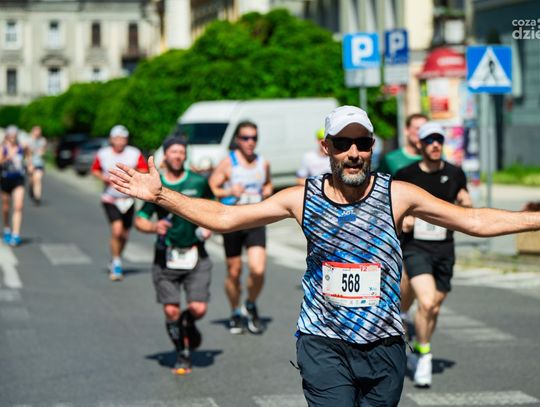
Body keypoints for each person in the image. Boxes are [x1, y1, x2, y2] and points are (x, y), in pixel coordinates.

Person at [109, 105, 540, 407]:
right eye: (343, 143)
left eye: (362, 143)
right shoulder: (301, 198)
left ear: (371, 146)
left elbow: (473, 220)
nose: (353, 152)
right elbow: (226, 217)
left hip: (384, 345)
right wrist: (162, 195)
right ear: (326, 148)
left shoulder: (398, 195)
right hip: (323, 342)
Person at [395, 122, 473, 388]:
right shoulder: (406, 175)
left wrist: (466, 203)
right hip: (415, 246)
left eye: (439, 140)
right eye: (430, 140)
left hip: (445, 248)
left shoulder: (455, 173)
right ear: (420, 144)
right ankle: (425, 357)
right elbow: (393, 208)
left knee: (434, 306)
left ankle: (417, 344)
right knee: (427, 303)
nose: (435, 145)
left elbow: (463, 203)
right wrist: (403, 219)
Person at [134, 136, 213, 375]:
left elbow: (213, 207)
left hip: (195, 253)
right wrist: (154, 227)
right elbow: (140, 220)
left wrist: (208, 226)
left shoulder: (198, 182)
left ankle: (186, 323)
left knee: (198, 308)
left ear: (185, 155)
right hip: (166, 256)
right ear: (165, 155)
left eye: (181, 152)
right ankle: (182, 353)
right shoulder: (157, 185)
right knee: (170, 310)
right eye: (173, 152)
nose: (178, 156)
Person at [208, 121, 272, 335]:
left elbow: (268, 184)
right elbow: (213, 186)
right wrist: (229, 192)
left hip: (255, 220)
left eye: (254, 138)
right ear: (237, 140)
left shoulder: (263, 163)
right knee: (234, 272)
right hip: (233, 220)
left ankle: (250, 304)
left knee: (258, 269)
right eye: (245, 138)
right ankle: (235, 311)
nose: (250, 142)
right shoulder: (229, 162)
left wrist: (267, 190)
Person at [91, 124, 148, 281]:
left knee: (124, 234)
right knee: (117, 230)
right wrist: (103, 178)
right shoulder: (103, 153)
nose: (120, 141)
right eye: (117, 138)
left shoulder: (133, 153)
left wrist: (132, 176)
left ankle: (116, 257)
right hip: (110, 198)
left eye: (123, 138)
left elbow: (144, 170)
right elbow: (95, 170)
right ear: (111, 139)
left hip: (128, 199)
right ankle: (116, 263)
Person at [1, 125, 31, 247]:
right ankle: (7, 228)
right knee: (6, 207)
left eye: (15, 135)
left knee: (18, 206)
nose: (13, 137)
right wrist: (7, 157)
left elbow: (28, 157)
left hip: (18, 179)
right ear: (7, 136)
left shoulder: (21, 147)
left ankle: (16, 234)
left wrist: (30, 165)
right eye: (11, 135)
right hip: (5, 179)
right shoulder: (2, 148)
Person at [27, 126, 47, 205]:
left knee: (38, 179)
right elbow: (27, 153)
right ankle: (31, 190)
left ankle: (37, 197)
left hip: (39, 163)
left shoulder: (42, 140)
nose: (38, 133)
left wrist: (42, 152)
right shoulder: (29, 140)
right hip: (31, 162)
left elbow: (43, 151)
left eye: (39, 131)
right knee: (32, 180)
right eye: (36, 131)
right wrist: (30, 164)